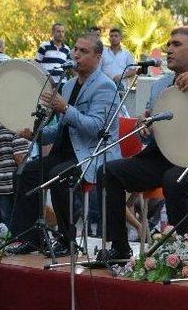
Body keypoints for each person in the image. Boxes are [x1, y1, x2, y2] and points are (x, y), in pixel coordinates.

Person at [98, 27, 188, 261]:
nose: (169, 50)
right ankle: (119, 248)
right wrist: (145, 127)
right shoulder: (160, 86)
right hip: (162, 157)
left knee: (174, 179)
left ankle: (178, 252)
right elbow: (150, 135)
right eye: (168, 44)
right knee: (109, 171)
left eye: (176, 45)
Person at [8, 34, 120, 256]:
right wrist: (36, 135)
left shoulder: (105, 87)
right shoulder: (68, 85)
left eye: (83, 51)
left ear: (97, 57)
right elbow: (61, 128)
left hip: (90, 154)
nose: (76, 55)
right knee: (25, 173)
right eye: (75, 49)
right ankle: (32, 238)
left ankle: (66, 240)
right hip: (64, 151)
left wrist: (65, 109)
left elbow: (97, 128)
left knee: (59, 175)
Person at [0, 118, 29, 226]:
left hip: (2, 185)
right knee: (21, 223)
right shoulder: (17, 127)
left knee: (6, 224)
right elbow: (20, 158)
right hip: (18, 185)